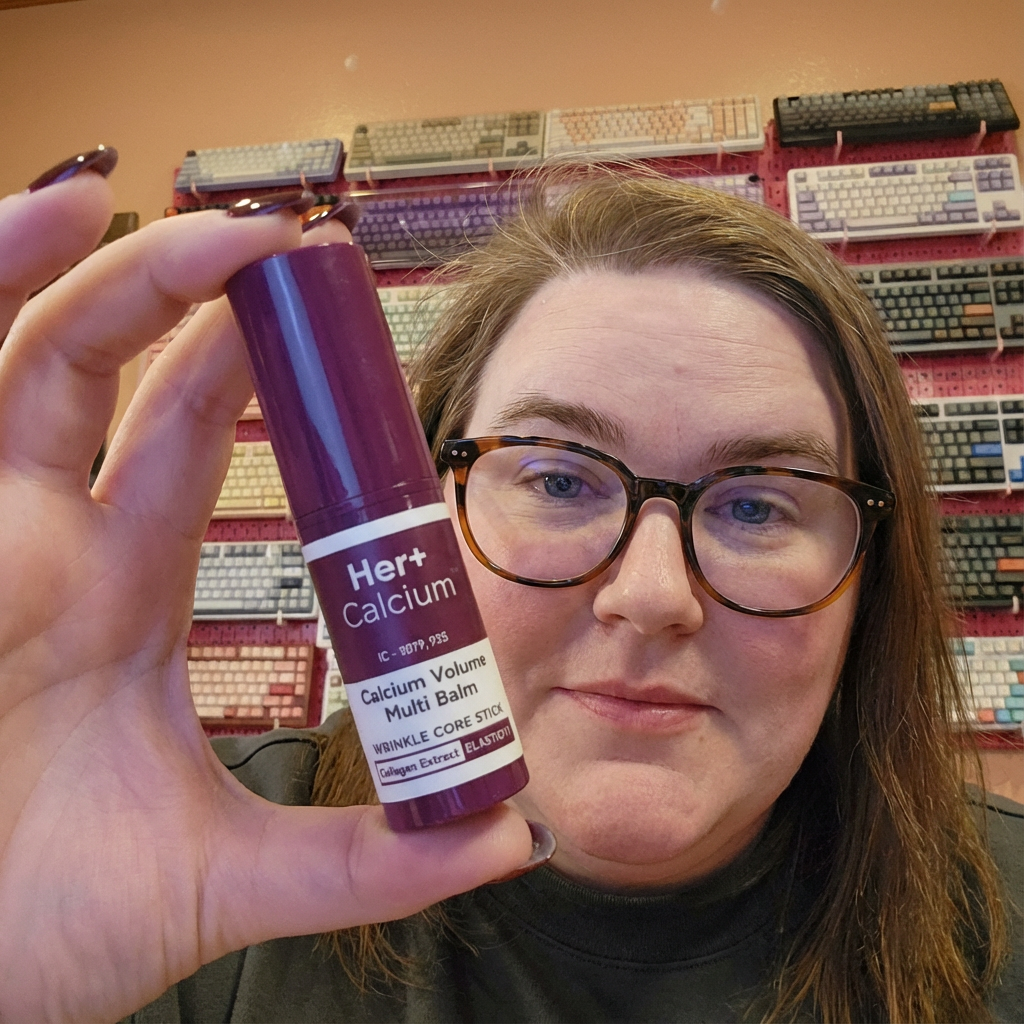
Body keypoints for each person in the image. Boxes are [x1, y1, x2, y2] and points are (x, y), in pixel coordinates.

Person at [0, 152, 1019, 1024]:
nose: (651, 595)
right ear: (427, 514)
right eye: (559, 481)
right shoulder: (177, 866)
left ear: (869, 576)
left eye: (756, 506)